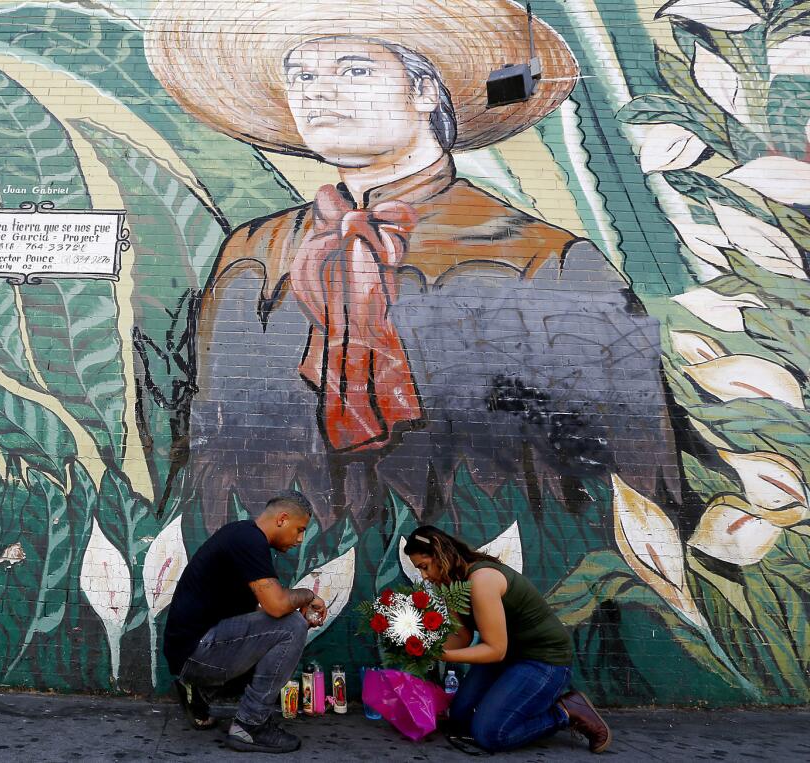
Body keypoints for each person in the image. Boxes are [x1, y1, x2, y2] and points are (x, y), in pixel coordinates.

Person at [147, 0, 682, 535]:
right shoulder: (253, 251)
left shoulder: (541, 258)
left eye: (353, 70)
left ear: (426, 91)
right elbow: (209, 452)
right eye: (302, 75)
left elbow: (633, 479)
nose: (317, 92)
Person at [404, 525, 611, 753]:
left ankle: (565, 711)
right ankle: (508, 706)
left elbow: (495, 650)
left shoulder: (482, 580)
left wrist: (444, 654)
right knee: (460, 717)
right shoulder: (451, 584)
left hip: (543, 660)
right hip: (509, 657)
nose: (424, 576)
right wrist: (425, 647)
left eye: (424, 567)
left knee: (491, 735)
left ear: (440, 554)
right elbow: (461, 636)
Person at [163, 491, 328, 754]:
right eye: (299, 529)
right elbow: (275, 606)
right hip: (197, 650)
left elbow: (262, 617)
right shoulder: (249, 540)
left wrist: (294, 616)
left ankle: (200, 692)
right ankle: (250, 726)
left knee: (291, 626)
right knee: (292, 626)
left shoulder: (243, 536)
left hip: (190, 651)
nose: (299, 539)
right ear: (282, 519)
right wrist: (307, 596)